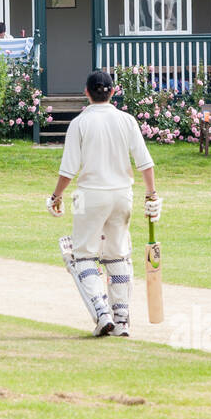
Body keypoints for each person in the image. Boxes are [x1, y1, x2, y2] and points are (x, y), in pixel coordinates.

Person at [48, 70, 160, 337]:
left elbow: (68, 169)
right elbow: (145, 163)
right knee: (117, 255)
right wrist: (151, 194)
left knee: (83, 255)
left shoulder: (79, 123)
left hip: (89, 195)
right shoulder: (128, 120)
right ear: (113, 91)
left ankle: (102, 313)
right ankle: (121, 319)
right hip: (123, 194)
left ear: (86, 92)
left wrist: (56, 197)